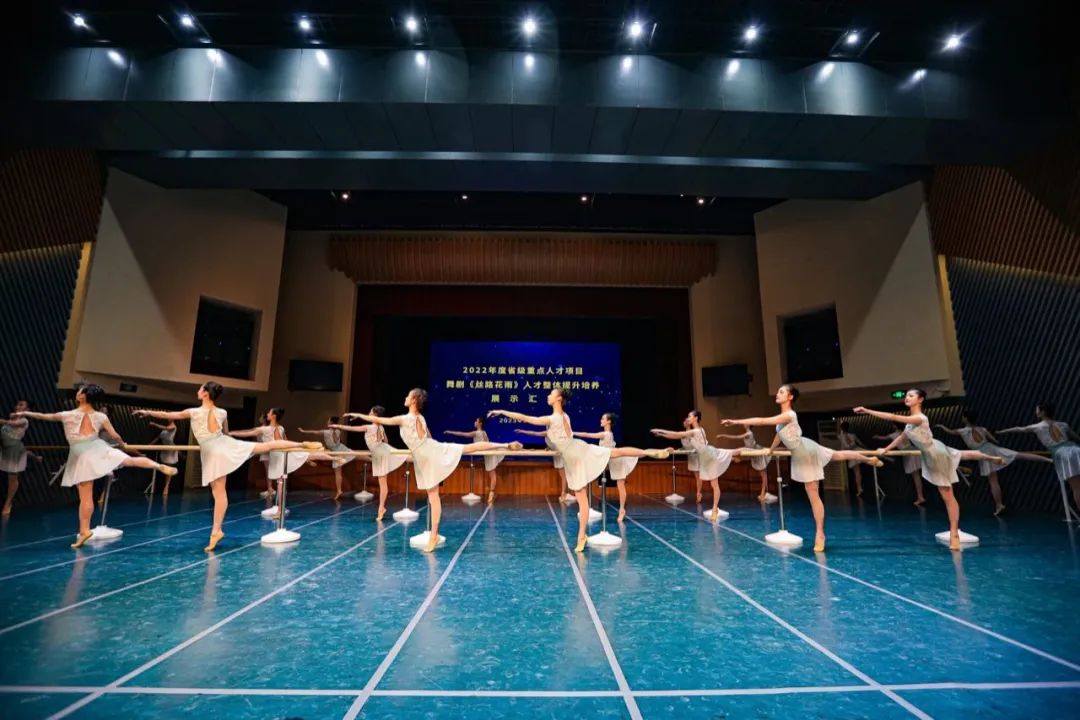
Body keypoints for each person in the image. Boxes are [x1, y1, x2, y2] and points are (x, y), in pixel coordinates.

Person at [135, 383, 323, 551]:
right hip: (224, 444)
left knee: (219, 493)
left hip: (213, 451)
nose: (198, 391)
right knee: (266, 446)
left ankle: (216, 531)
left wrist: (148, 412)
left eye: (200, 389)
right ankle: (301, 444)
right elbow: (225, 434)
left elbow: (168, 415)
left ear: (205, 393)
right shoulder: (223, 412)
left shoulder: (193, 411)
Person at [491, 387, 670, 552]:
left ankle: (582, 537)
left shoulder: (552, 418)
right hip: (578, 448)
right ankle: (649, 452)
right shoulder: (565, 417)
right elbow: (565, 436)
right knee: (615, 453)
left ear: (558, 398)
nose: (548, 396)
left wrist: (502, 411)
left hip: (573, 456)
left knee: (583, 498)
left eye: (551, 394)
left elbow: (524, 417)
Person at [347, 389, 522, 552]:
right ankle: (505, 444)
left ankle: (433, 536)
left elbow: (379, 420)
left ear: (414, 400)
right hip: (428, 452)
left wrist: (358, 414)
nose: (405, 398)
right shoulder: (420, 418)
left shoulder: (404, 419)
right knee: (465, 451)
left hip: (427, 454)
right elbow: (428, 437)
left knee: (435, 494)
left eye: (408, 396)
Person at [725, 385, 883, 553]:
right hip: (801, 450)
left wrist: (736, 421)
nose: (777, 394)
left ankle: (820, 534)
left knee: (813, 494)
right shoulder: (783, 417)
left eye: (781, 392)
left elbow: (762, 421)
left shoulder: (789, 415)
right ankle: (868, 459)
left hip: (805, 453)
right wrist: (771, 450)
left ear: (790, 397)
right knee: (837, 455)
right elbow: (779, 434)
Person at [16, 384, 177, 548]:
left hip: (81, 453)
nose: (77, 393)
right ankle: (158, 466)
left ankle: (84, 531)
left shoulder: (67, 415)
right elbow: (115, 435)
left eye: (80, 391)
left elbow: (44, 416)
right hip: (98, 446)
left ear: (83, 396)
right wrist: (123, 445)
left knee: (86, 497)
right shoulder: (101, 416)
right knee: (130, 460)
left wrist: (26, 413)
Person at [855, 389, 1004, 551]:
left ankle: (954, 533)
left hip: (935, 454)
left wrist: (867, 411)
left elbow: (893, 417)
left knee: (947, 495)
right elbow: (902, 437)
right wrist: (886, 449)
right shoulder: (910, 423)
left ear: (920, 399)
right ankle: (988, 457)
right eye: (906, 396)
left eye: (911, 395)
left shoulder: (920, 418)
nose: (907, 398)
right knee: (960, 454)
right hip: (931, 454)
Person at [937, 409, 1051, 516]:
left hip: (983, 453)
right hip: (991, 447)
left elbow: (949, 431)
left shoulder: (962, 431)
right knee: (1019, 455)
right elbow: (994, 440)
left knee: (993, 480)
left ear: (966, 419)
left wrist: (941, 426)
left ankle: (999, 504)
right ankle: (1048, 459)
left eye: (963, 417)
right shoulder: (982, 429)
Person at [653, 411, 744, 523]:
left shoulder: (696, 431)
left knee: (732, 456)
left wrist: (661, 431)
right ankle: (733, 458)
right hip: (705, 458)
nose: (688, 418)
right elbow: (678, 435)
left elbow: (677, 434)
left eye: (690, 416)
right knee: (715, 482)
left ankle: (714, 509)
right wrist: (662, 434)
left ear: (696, 418)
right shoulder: (696, 430)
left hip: (710, 455)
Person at [998, 401, 1080, 515]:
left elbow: (1019, 429)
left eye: (1037, 410)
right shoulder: (1063, 425)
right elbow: (1076, 437)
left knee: (1077, 487)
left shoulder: (1037, 427)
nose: (1035, 412)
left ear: (1042, 412)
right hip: (1076, 448)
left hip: (1063, 454)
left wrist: (1002, 432)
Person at [331, 406, 408, 521]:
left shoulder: (369, 427)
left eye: (370, 412)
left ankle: (381, 508)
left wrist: (338, 426)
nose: (368, 413)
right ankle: (381, 508)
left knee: (383, 483)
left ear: (375, 414)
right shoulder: (381, 427)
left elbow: (351, 429)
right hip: (383, 450)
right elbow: (386, 441)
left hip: (379, 453)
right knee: (385, 481)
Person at [573, 413, 639, 522]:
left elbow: (588, 435)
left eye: (603, 418)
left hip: (616, 461)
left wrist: (573, 433)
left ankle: (622, 510)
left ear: (608, 421)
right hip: (608, 460)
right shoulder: (608, 434)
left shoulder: (606, 434)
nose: (601, 420)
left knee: (621, 485)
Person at [445, 417, 504, 505]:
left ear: (480, 423)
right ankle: (492, 493)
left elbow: (462, 434)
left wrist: (450, 432)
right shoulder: (484, 432)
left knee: (492, 474)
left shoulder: (477, 433)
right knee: (492, 474)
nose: (475, 422)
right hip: (489, 453)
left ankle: (491, 494)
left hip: (490, 454)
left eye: (476, 421)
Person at [298, 416, 358, 501]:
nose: (327, 421)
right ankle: (339, 490)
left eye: (328, 420)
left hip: (339, 450)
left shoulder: (335, 431)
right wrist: (304, 431)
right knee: (338, 471)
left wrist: (333, 431)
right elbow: (315, 432)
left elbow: (335, 441)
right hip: (336, 451)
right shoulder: (327, 431)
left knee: (354, 457)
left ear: (331, 423)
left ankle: (339, 490)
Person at [1, 400, 39, 515]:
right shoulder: (12, 418)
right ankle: (36, 457)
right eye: (17, 404)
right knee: (24, 452)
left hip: (14, 450)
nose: (17, 406)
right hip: (4, 448)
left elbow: (11, 424)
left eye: (21, 405)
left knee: (12, 478)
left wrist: (4, 421)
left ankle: (8, 503)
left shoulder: (24, 421)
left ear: (27, 410)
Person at [715, 427, 773, 501]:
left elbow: (736, 437)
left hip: (755, 451)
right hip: (752, 452)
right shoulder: (748, 433)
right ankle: (763, 493)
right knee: (762, 474)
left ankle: (763, 493)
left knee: (763, 475)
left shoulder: (749, 433)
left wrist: (723, 435)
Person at [873, 424, 925, 506]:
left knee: (916, 476)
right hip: (913, 450)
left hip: (908, 453)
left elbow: (883, 438)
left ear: (895, 426)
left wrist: (876, 436)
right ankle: (920, 496)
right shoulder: (906, 432)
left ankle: (920, 497)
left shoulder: (894, 434)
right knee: (917, 475)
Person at [517, 429, 571, 501]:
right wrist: (522, 431)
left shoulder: (553, 432)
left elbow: (534, 433)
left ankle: (564, 494)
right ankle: (564, 494)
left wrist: (522, 431)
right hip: (557, 455)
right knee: (563, 475)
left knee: (564, 476)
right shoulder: (550, 433)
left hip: (562, 454)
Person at [145, 418, 179, 496]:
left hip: (170, 448)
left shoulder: (173, 426)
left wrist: (154, 424)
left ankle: (166, 487)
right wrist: (149, 445)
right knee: (165, 468)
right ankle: (164, 486)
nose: (168, 418)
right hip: (164, 449)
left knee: (169, 468)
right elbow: (158, 438)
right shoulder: (163, 431)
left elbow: (166, 428)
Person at [837, 421, 868, 497]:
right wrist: (866, 448)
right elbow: (860, 443)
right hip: (856, 451)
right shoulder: (852, 435)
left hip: (852, 453)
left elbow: (843, 447)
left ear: (842, 428)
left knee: (857, 471)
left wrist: (842, 455)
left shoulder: (840, 436)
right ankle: (859, 489)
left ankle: (859, 489)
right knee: (869, 459)